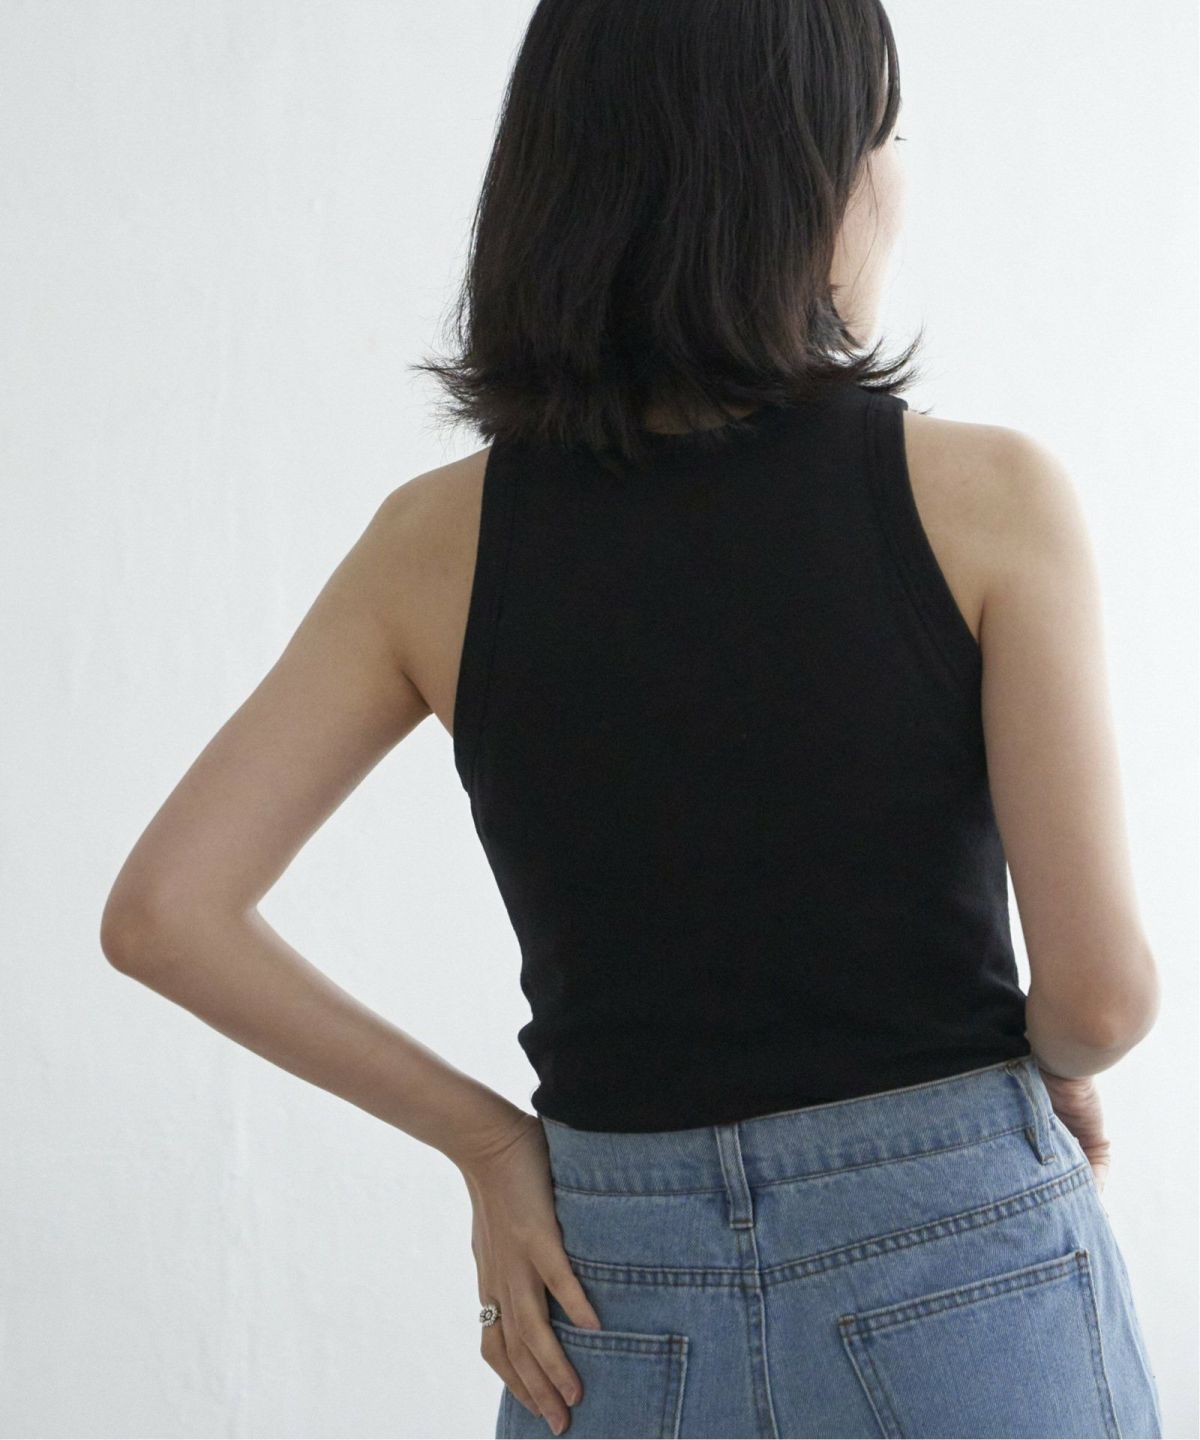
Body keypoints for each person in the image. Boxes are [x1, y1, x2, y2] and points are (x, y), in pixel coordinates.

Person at [100, 1, 1166, 1436]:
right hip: (959, 1260)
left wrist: (489, 1146)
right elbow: (1101, 1000)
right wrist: (1042, 1084)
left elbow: (167, 910)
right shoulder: (985, 496)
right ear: (810, 173)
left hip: (614, 1292)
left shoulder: (432, 546)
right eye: (888, 133)